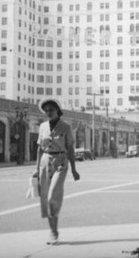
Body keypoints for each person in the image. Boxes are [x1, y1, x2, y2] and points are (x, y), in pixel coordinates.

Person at [34, 98, 80, 245]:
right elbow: (40, 149)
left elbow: (71, 149)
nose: (48, 113)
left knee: (53, 195)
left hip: (61, 162)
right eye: (46, 111)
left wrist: (74, 169)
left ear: (57, 111)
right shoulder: (42, 127)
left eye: (51, 110)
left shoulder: (66, 127)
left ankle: (54, 232)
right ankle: (53, 232)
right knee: (46, 200)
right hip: (45, 162)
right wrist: (36, 169)